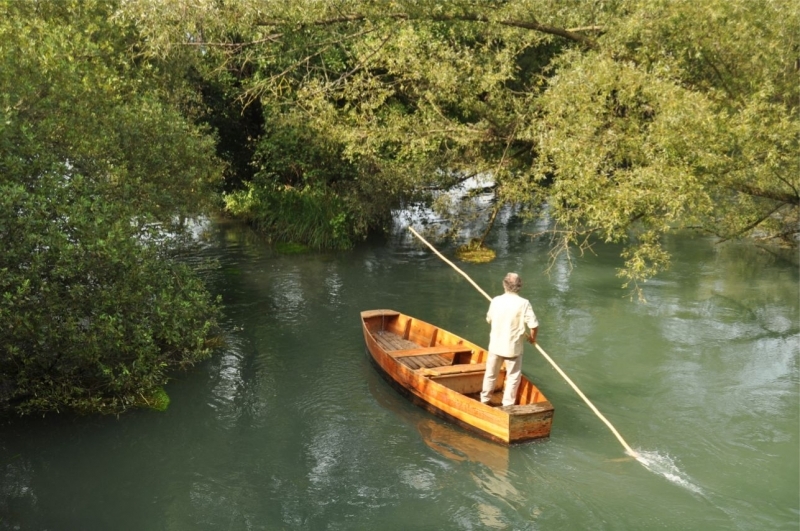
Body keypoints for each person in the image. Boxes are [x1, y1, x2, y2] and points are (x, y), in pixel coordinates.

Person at [480, 272, 538, 407]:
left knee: (490, 374)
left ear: (504, 285)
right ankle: (508, 405)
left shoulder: (496, 300)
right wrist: (533, 339)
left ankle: (484, 400)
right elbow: (534, 326)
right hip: (513, 348)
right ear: (519, 286)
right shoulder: (524, 303)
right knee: (512, 377)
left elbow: (489, 319)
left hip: (495, 346)